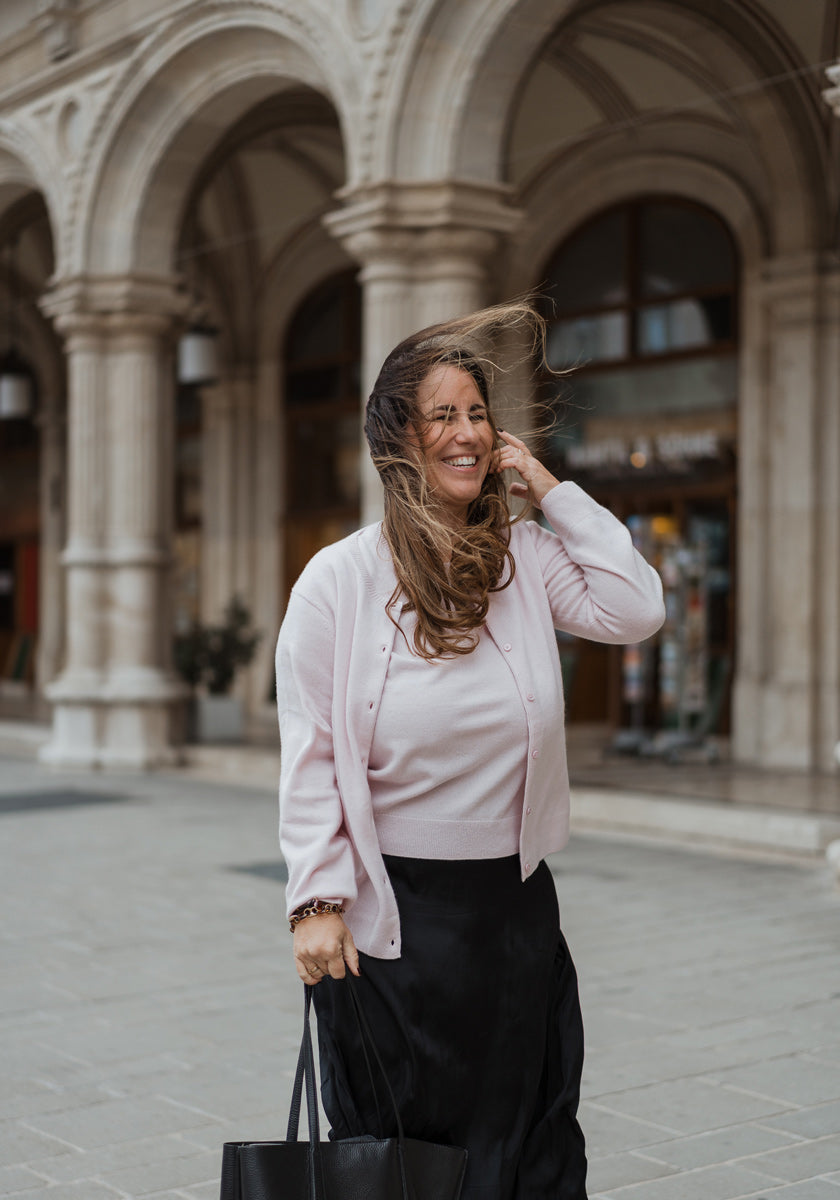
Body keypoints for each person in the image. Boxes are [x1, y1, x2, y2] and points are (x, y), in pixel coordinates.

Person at [275, 301, 665, 1200]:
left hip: (513, 913)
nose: (467, 434)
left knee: (525, 1138)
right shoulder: (340, 578)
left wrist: (552, 490)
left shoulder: (521, 558)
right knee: (409, 1152)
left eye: (479, 414)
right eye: (442, 414)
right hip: (395, 920)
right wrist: (315, 901)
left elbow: (636, 607)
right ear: (398, 437)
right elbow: (310, 751)